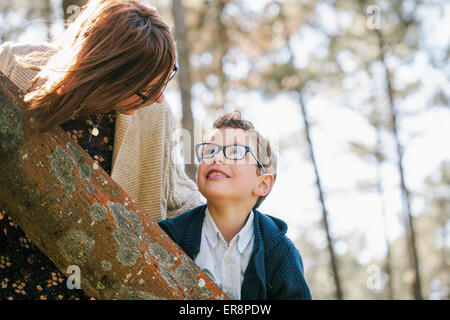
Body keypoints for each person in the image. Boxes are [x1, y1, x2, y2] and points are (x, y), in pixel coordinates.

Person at [0, 0, 202, 300]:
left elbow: (180, 199)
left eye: (167, 77)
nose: (159, 98)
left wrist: (248, 230)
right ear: (107, 74)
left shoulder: (155, 116)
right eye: (146, 89)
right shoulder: (11, 67)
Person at [158, 112, 312, 300]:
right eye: (209, 151)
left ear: (262, 184)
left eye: (236, 152)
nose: (217, 158)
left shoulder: (280, 252)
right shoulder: (170, 236)